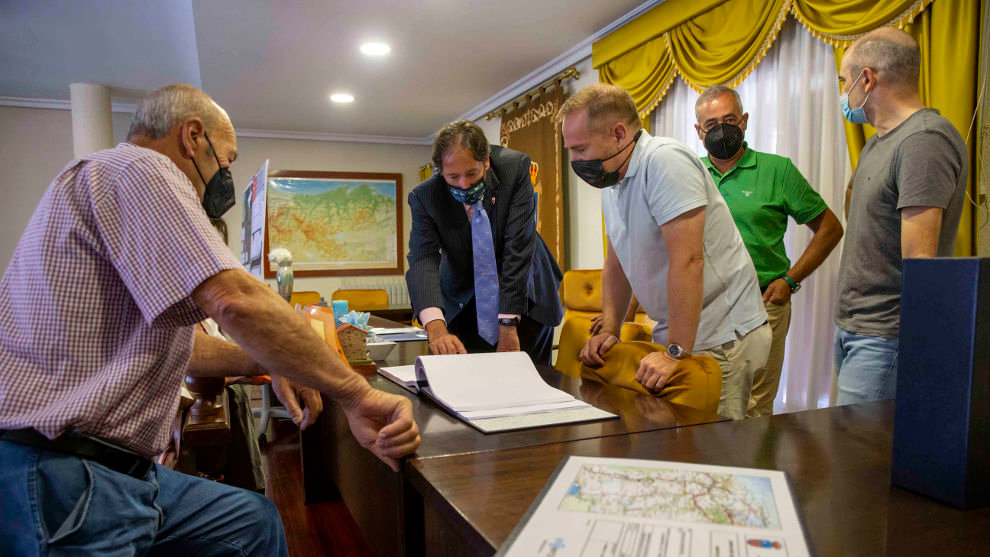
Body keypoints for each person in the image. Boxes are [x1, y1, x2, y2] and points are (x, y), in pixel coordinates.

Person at [0, 84, 420, 556]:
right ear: (192, 137)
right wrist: (356, 394)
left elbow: (190, 349)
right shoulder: (143, 167)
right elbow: (236, 299)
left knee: (251, 522)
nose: (225, 176)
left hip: (113, 466)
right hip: (67, 469)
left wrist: (276, 359)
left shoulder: (107, 185)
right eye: (228, 158)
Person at [558, 83, 771, 420]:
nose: (575, 160)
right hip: (684, 331)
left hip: (721, 331)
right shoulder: (612, 180)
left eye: (581, 149)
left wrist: (674, 351)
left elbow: (688, 261)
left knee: (717, 453)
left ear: (617, 134)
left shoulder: (665, 161)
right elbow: (616, 260)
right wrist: (611, 329)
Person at [834, 28, 968, 404]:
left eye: (845, 81)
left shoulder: (924, 141)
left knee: (860, 455)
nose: (843, 92)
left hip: (885, 336)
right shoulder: (879, 141)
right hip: (854, 326)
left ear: (867, 78)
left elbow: (921, 263)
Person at [694, 85, 844, 417]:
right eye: (711, 123)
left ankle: (754, 469)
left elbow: (830, 229)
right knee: (703, 403)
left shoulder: (778, 171)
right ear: (698, 131)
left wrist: (790, 281)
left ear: (744, 121)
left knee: (753, 408)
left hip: (762, 305)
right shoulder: (689, 172)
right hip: (702, 308)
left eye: (729, 119)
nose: (721, 129)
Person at [406, 120, 563, 366]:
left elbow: (518, 247)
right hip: (465, 300)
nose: (464, 184)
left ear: (486, 161)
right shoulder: (425, 196)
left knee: (531, 382)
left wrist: (509, 324)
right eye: (453, 177)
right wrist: (435, 326)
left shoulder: (514, 169)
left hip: (526, 295)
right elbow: (422, 259)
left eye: (472, 173)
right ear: (440, 171)